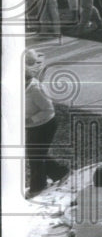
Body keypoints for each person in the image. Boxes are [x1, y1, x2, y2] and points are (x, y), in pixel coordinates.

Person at [25, 50, 65, 196]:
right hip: (32, 126)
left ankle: (38, 187)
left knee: (36, 157)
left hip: (45, 125)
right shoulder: (19, 87)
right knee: (35, 154)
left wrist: (30, 119)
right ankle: (61, 173)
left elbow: (48, 110)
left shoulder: (35, 88)